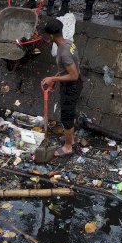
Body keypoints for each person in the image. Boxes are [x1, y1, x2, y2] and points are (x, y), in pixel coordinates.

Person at [41, 18, 83, 158]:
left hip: (71, 86)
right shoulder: (68, 43)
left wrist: (53, 79)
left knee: (66, 117)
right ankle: (71, 138)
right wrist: (55, 79)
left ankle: (68, 146)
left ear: (51, 36)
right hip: (73, 84)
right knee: (69, 114)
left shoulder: (64, 52)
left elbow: (74, 75)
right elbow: (66, 70)